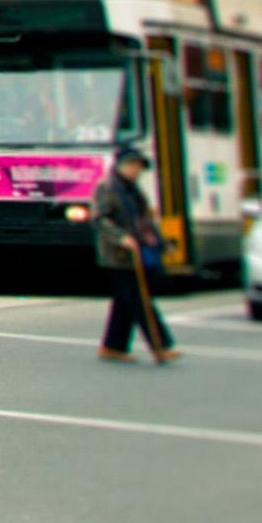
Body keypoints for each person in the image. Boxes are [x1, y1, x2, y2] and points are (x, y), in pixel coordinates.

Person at [89, 140, 177, 363]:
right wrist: (121, 238)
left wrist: (160, 242)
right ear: (122, 165)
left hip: (137, 252)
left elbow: (145, 220)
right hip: (118, 255)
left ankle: (113, 346)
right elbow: (99, 218)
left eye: (139, 166)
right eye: (133, 165)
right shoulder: (107, 187)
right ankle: (161, 345)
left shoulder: (133, 190)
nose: (137, 170)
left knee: (125, 301)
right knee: (139, 299)